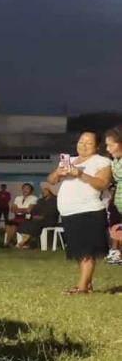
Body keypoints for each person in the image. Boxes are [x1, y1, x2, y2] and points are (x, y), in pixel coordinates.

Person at [49, 131, 113, 293]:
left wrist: (80, 174)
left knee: (87, 251)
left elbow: (102, 184)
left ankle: (82, 287)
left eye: (89, 143)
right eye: (81, 141)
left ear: (97, 146)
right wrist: (58, 173)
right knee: (78, 251)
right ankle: (87, 284)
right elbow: (50, 181)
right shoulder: (68, 160)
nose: (83, 145)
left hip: (88, 210)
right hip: (68, 212)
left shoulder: (102, 161)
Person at [15, 184, 58, 249]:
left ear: (50, 191)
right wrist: (34, 215)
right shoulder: (40, 200)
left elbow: (53, 212)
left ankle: (22, 243)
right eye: (42, 191)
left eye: (45, 190)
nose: (42, 192)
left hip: (49, 220)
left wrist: (43, 216)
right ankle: (26, 243)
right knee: (26, 222)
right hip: (38, 219)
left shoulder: (55, 200)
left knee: (36, 223)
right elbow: (34, 210)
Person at [106, 126, 122, 265]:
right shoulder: (114, 161)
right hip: (118, 200)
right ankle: (116, 253)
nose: (108, 148)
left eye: (111, 145)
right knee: (116, 226)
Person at [4, 183, 38, 247]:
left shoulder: (34, 198)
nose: (25, 190)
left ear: (31, 190)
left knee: (14, 226)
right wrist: (23, 209)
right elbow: (12, 209)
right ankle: (10, 242)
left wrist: (18, 209)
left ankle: (8, 243)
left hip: (26, 218)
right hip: (17, 217)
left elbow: (29, 210)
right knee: (9, 224)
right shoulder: (18, 198)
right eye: (24, 188)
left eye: (27, 189)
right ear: (22, 189)